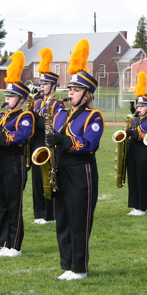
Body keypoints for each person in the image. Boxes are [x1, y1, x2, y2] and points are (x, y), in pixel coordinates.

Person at [46, 39, 104, 281]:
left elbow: (89, 144)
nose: (71, 93)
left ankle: (79, 267)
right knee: (64, 219)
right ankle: (67, 264)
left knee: (79, 220)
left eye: (76, 90)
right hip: (61, 170)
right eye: (70, 90)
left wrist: (64, 141)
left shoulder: (94, 116)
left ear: (87, 94)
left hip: (82, 171)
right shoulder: (60, 115)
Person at [0, 51, 35, 257]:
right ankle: (2, 243)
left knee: (13, 205)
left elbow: (18, 137)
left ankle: (14, 245)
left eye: (11, 96)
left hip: (14, 163)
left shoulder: (25, 116)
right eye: (6, 95)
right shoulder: (1, 115)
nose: (7, 99)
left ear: (21, 99)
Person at [31, 47, 64, 224]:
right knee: (36, 180)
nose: (41, 86)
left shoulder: (57, 104)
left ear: (53, 85)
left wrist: (37, 118)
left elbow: (53, 125)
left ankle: (50, 214)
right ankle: (39, 214)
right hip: (36, 144)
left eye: (44, 84)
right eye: (40, 84)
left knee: (48, 179)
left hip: (49, 145)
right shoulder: (36, 102)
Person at [126, 72, 147, 216]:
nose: (139, 108)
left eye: (142, 106)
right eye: (138, 105)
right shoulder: (135, 120)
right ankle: (134, 205)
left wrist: (137, 135)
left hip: (144, 151)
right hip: (132, 150)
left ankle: (142, 207)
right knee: (132, 178)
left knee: (142, 178)